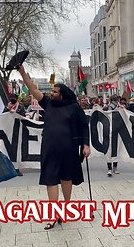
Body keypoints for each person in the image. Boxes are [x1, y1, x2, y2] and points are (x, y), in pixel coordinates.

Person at [17, 64, 90, 230]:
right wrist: (22, 73)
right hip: (50, 148)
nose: (52, 93)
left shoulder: (74, 107)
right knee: (51, 179)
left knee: (66, 178)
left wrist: (86, 145)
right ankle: (52, 215)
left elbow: (84, 126)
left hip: (69, 148)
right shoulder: (48, 104)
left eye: (55, 92)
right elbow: (32, 88)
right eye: (52, 91)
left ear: (62, 94)